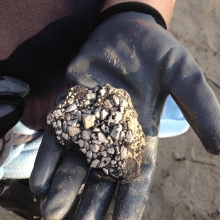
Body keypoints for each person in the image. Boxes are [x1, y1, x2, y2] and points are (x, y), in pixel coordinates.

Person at [1, 0, 219, 219]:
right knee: (44, 187)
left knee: (60, 188)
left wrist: (133, 9)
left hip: (73, 84)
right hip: (28, 131)